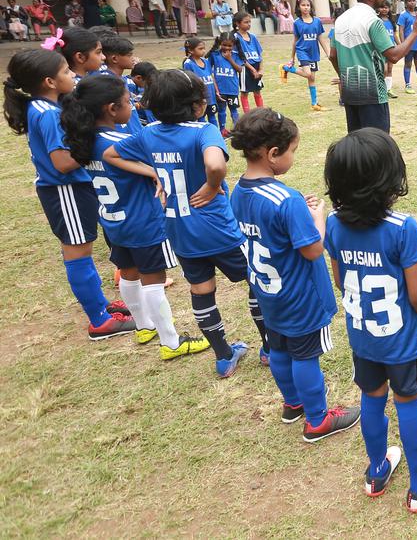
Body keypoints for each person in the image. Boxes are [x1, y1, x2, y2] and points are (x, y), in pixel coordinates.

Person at [324, 127, 417, 504]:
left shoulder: (333, 224)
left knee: (371, 397)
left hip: (363, 336)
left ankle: (377, 470)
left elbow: (340, 279)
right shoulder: (403, 228)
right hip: (401, 340)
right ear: (390, 178)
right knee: (408, 401)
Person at [102, 69, 262, 376]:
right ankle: (270, 347)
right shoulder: (204, 131)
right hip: (218, 229)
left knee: (201, 290)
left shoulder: (149, 133)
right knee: (255, 281)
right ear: (199, 105)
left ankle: (223, 355)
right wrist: (213, 186)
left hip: (180, 230)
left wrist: (154, 173)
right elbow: (215, 164)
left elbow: (110, 154)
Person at [228, 109, 361, 442]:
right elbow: (313, 249)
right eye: (292, 151)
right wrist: (316, 215)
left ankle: (292, 404)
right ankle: (317, 420)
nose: (293, 158)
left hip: (268, 293)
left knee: (280, 350)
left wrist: (297, 210)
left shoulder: (238, 191)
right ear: (273, 154)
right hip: (300, 296)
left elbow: (268, 228)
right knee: (306, 356)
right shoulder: (286, 200)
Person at [59, 74, 209, 358]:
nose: (134, 104)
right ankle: (171, 341)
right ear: (111, 109)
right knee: (153, 280)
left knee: (128, 274)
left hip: (114, 221)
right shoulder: (122, 141)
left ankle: (143, 326)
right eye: (129, 101)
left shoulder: (84, 141)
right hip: (144, 222)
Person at [2, 47, 133, 340]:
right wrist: (91, 149)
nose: (72, 75)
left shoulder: (44, 107)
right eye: (65, 72)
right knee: (78, 252)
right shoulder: (48, 114)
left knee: (81, 249)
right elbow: (62, 163)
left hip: (71, 189)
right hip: (65, 191)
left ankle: (100, 305)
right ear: (49, 81)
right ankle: (99, 321)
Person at [329, 0, 417, 133]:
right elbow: (393, 56)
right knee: (377, 147)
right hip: (373, 96)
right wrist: (415, 32)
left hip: (350, 95)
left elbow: (332, 55)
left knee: (357, 146)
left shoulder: (341, 19)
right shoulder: (373, 21)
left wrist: (343, 77)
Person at [282, 0, 328, 111]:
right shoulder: (297, 23)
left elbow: (320, 38)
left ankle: (314, 103)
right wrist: (292, 57)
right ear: (298, 7)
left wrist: (328, 52)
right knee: (308, 74)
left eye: (308, 5)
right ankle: (286, 68)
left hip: (314, 53)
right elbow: (295, 41)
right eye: (303, 5)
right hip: (302, 51)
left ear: (311, 7)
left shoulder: (317, 21)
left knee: (312, 78)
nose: (306, 7)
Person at [208, 32, 242, 136]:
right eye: (224, 45)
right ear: (220, 43)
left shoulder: (236, 55)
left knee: (234, 109)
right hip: (220, 89)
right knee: (221, 110)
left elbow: (240, 69)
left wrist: (229, 59)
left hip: (232, 88)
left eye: (229, 46)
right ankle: (222, 129)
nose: (226, 47)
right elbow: (208, 69)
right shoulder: (214, 55)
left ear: (234, 45)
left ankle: (237, 130)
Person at [182, 37, 218, 127]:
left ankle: (216, 134)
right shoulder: (188, 64)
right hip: (200, 97)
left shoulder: (206, 61)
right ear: (191, 50)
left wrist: (216, 91)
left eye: (204, 48)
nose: (203, 51)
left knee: (212, 116)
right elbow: (190, 82)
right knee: (201, 118)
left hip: (211, 95)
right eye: (200, 49)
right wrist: (198, 97)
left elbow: (211, 76)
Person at [233, 11, 265, 112]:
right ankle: (247, 115)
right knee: (245, 92)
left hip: (255, 66)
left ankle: (261, 113)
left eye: (249, 22)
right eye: (246, 22)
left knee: (257, 91)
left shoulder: (253, 37)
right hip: (245, 67)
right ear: (237, 24)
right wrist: (251, 69)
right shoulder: (235, 37)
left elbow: (260, 55)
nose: (249, 24)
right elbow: (240, 57)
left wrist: (260, 69)